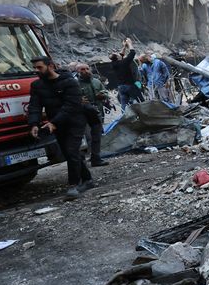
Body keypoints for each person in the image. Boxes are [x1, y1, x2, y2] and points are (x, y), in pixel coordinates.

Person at [27, 57, 94, 198]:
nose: (36, 71)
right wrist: (34, 124)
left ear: (50, 66)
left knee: (71, 150)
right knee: (69, 153)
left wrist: (53, 122)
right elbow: (34, 106)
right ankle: (87, 179)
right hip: (56, 124)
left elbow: (71, 106)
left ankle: (73, 185)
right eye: (34, 68)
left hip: (75, 121)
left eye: (39, 67)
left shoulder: (70, 82)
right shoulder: (37, 85)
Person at [76, 63, 110, 167]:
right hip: (82, 113)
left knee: (97, 136)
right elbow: (70, 98)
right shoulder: (75, 84)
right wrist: (79, 100)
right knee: (85, 137)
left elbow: (106, 92)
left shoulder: (96, 81)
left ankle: (96, 158)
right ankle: (81, 160)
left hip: (96, 112)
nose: (86, 71)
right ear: (78, 71)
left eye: (87, 69)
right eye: (82, 69)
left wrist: (102, 95)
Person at [110, 38, 142, 110]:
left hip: (121, 87)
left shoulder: (113, 64)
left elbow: (121, 55)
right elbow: (132, 53)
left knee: (124, 105)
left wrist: (124, 46)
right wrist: (129, 43)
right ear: (118, 57)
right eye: (118, 54)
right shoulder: (124, 62)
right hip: (129, 86)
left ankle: (125, 115)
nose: (120, 54)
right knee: (140, 101)